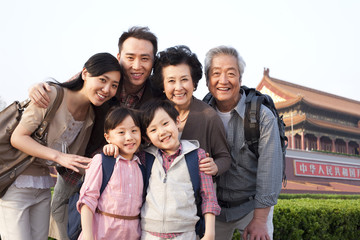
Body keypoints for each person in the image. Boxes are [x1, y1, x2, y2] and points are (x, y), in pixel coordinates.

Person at [0, 52, 122, 240]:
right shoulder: (52, 95)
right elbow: (18, 138)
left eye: (114, 85)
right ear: (85, 74)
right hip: (17, 182)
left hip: (43, 186)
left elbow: (76, 160)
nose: (107, 89)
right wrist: (58, 157)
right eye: (103, 80)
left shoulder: (91, 114)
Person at [28, 26, 158, 156]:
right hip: (76, 163)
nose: (136, 66)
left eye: (144, 59)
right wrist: (38, 87)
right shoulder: (98, 78)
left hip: (127, 168)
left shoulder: (157, 94)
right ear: (119, 58)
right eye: (130, 57)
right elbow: (66, 92)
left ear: (153, 61)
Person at [202, 46, 283, 240]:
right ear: (207, 80)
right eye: (216, 74)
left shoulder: (262, 117)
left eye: (231, 73)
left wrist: (261, 220)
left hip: (252, 208)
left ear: (240, 78)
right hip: (213, 209)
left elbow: (270, 170)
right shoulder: (200, 114)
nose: (223, 80)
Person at [138, 99, 220, 240]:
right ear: (147, 137)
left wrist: (210, 233)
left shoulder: (197, 155)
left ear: (177, 122)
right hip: (149, 234)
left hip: (185, 234)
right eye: (153, 129)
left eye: (165, 123)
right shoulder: (146, 157)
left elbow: (208, 196)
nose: (162, 132)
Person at [150, 45, 231, 176]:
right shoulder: (154, 113)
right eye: (171, 81)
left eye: (184, 79)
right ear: (163, 85)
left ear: (194, 82)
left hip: (197, 193)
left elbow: (225, 157)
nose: (179, 87)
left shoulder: (208, 116)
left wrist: (215, 166)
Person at [77, 107, 143, 240]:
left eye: (134, 130)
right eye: (121, 132)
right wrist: (88, 236)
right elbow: (87, 200)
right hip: (101, 234)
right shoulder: (101, 161)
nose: (129, 137)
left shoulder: (141, 166)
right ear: (108, 137)